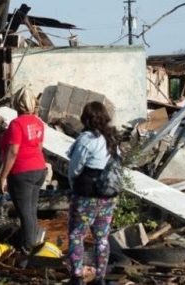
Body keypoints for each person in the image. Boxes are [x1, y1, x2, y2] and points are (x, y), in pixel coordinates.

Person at [66, 102, 119, 285]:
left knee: (76, 235)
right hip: (108, 196)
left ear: (86, 118)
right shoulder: (112, 139)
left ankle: (77, 276)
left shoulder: (87, 139)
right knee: (102, 238)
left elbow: (74, 168)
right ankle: (100, 277)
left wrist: (73, 186)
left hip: (86, 196)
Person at [0, 87, 47, 254]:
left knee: (25, 213)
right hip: (39, 169)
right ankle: (33, 244)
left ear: (16, 103)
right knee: (31, 211)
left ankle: (28, 249)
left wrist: (3, 177)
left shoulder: (16, 124)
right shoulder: (38, 123)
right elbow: (39, 147)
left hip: (22, 172)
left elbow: (13, 151)